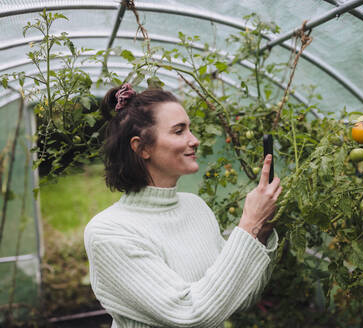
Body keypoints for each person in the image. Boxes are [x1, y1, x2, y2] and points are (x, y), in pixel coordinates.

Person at [84, 83, 282, 328]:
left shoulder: (195, 208)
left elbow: (237, 299)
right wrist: (249, 222)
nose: (195, 140)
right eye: (179, 131)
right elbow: (190, 313)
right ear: (142, 148)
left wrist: (260, 231)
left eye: (190, 129)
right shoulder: (109, 232)